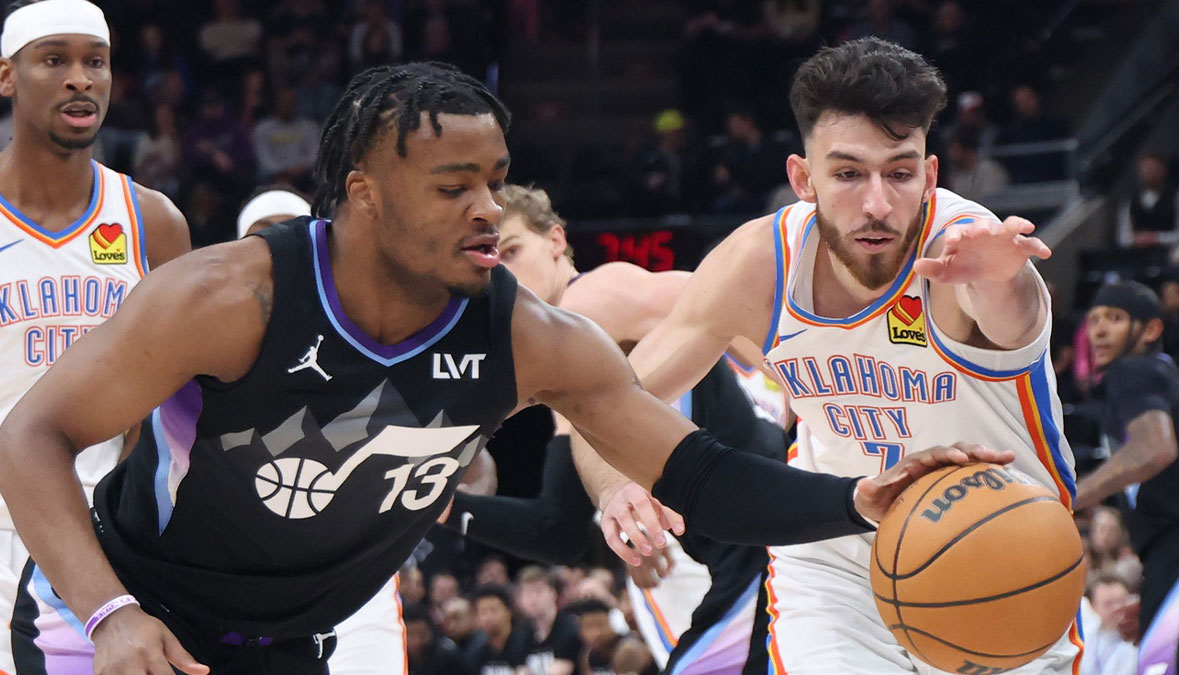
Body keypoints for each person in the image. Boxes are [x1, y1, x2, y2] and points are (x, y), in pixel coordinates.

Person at [0, 61, 1006, 675]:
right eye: (453, 187)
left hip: (279, 645)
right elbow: (32, 435)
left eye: (492, 181)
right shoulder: (231, 299)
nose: (487, 208)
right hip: (112, 628)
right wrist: (111, 614)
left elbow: (698, 475)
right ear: (366, 197)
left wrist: (856, 499)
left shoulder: (525, 337)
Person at [574, 37, 1081, 673]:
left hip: (1000, 552)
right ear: (802, 178)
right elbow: (610, 401)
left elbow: (1013, 318)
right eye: (847, 174)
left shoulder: (969, 253)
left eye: (899, 173)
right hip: (834, 563)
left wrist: (1006, 281)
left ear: (928, 175)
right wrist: (614, 482)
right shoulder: (757, 263)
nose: (876, 203)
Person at [442, 184, 789, 673]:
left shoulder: (594, 294)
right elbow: (557, 529)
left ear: (557, 241)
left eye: (514, 249)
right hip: (719, 545)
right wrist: (449, 510)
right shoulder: (564, 362)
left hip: (757, 518)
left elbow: (735, 302)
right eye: (490, 257)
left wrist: (801, 389)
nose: (504, 270)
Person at [0, 0, 191, 671]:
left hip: (101, 538)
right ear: (7, 77)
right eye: (55, 60)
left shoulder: (152, 222)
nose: (81, 78)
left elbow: (174, 406)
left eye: (96, 62)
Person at [233, 189, 409, 675]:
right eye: (261, 235)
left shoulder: (381, 336)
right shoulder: (213, 341)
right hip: (241, 582)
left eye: (289, 228)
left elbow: (472, 464)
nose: (277, 244)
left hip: (354, 580)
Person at [1073, 280, 1179, 673]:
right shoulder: (1168, 376)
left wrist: (1065, 497)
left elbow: (1155, 449)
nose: (1099, 330)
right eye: (1094, 319)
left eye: (1115, 318)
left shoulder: (1133, 370)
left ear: (1151, 330)